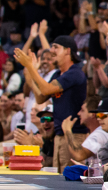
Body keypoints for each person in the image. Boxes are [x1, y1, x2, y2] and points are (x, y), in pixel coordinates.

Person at [15, 35, 87, 170]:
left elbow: (46, 88)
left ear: (67, 51)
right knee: (58, 179)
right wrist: (31, 72)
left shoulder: (75, 73)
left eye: (56, 47)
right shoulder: (57, 75)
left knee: (68, 180)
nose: (51, 50)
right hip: (59, 135)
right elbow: (41, 97)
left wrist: (30, 66)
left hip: (73, 133)